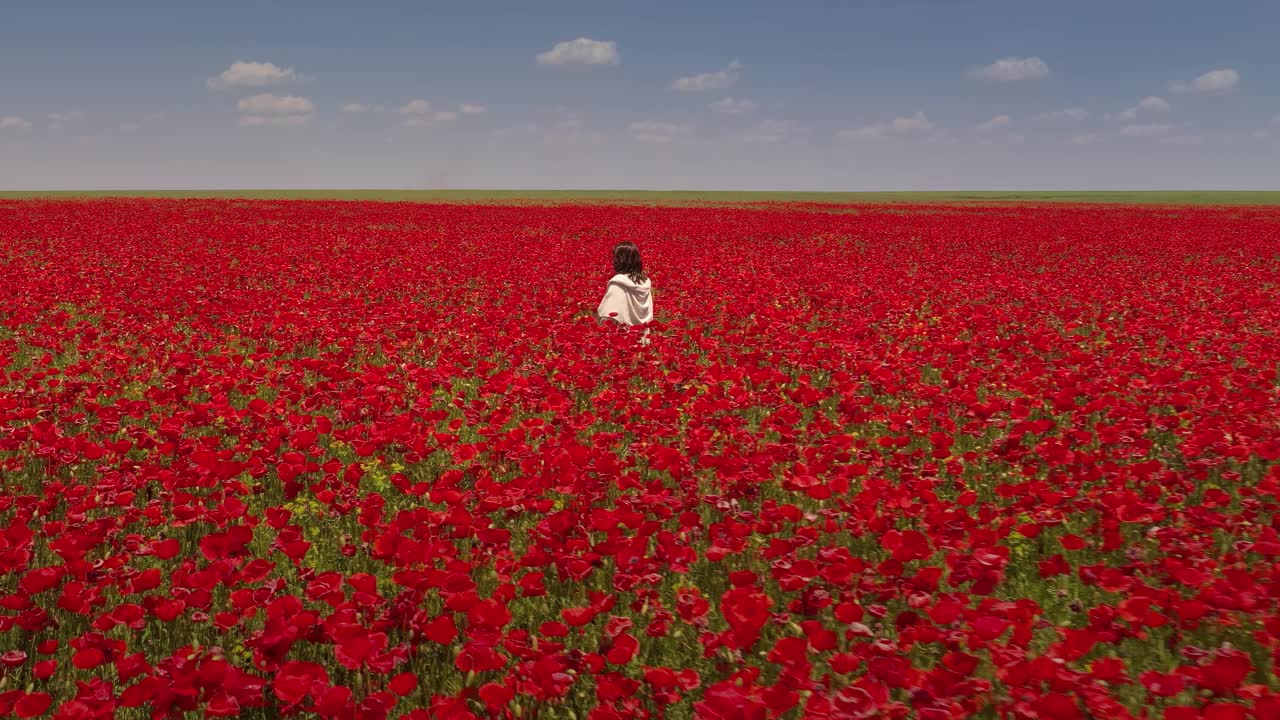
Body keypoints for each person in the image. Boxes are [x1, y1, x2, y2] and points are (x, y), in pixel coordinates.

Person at [596, 241, 653, 345]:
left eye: (615, 258)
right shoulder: (644, 282)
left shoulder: (618, 283)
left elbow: (608, 316)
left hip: (624, 341)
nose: (613, 262)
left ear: (621, 260)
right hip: (642, 338)